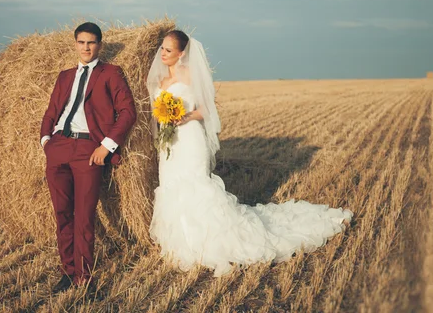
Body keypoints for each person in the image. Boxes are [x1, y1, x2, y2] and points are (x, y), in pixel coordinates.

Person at [146, 30, 352, 277]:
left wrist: (185, 116)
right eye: (162, 49)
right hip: (170, 145)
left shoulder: (192, 75)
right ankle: (182, 243)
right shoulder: (158, 79)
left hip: (190, 139)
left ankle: (209, 243)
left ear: (182, 54)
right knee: (172, 186)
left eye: (169, 50)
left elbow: (207, 109)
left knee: (196, 187)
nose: (163, 53)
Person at [40, 22, 136, 293]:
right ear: (75, 44)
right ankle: (68, 272)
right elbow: (50, 112)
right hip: (58, 147)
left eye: (91, 42)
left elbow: (128, 111)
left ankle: (84, 278)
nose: (86, 47)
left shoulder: (111, 73)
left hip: (88, 150)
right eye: (81, 42)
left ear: (99, 45)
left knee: (83, 217)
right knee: (62, 215)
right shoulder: (64, 76)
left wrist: (106, 146)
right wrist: (46, 140)